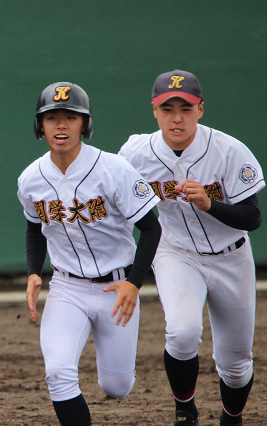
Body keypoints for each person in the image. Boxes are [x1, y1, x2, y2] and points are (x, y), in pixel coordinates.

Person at [119, 70, 264, 426]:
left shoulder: (229, 150)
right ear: (155, 112)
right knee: (182, 333)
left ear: (200, 109)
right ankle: (185, 411)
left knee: (235, 363)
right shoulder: (136, 153)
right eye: (167, 108)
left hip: (232, 256)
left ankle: (233, 417)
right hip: (176, 253)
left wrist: (211, 204)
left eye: (185, 107)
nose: (176, 117)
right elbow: (115, 204)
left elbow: (253, 217)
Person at [17, 82, 161, 426]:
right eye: (52, 117)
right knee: (57, 372)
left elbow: (152, 229)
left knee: (117, 385)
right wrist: (34, 272)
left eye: (71, 117)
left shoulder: (114, 170)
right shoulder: (30, 179)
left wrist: (134, 283)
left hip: (118, 288)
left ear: (85, 124)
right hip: (67, 288)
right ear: (41, 126)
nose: (61, 125)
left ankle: (117, 376)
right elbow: (35, 228)